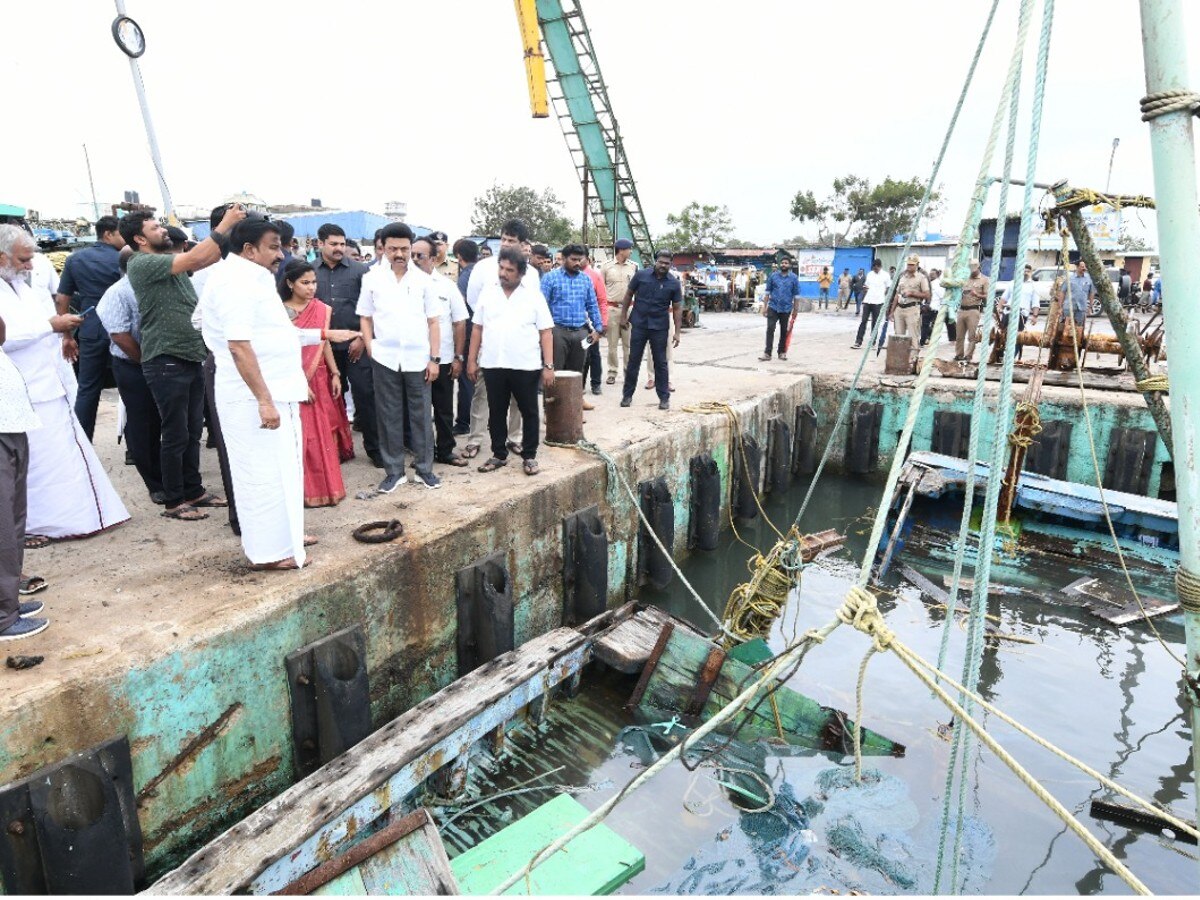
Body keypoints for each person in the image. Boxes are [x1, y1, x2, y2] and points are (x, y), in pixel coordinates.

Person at [200, 217, 359, 569]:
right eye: (273, 246)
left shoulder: (254, 280)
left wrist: (321, 336)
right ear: (248, 249)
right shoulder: (233, 283)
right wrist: (263, 399)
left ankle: (284, 536)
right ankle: (268, 553)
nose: (281, 253)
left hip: (275, 391)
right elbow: (239, 346)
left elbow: (270, 336)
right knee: (260, 475)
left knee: (283, 470)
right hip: (253, 397)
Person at [0, 224, 129, 544]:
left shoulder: (20, 286)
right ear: (1, 257)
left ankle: (73, 518)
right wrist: (51, 325)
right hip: (22, 392)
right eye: (23, 259)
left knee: (62, 457)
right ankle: (33, 525)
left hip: (49, 382)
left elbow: (41, 323)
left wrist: (62, 333)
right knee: (34, 466)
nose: (30, 266)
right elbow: (7, 339)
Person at [123, 206, 243, 521]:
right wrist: (225, 223)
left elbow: (207, 257)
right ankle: (174, 501)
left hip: (189, 355)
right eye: (154, 227)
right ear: (139, 239)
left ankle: (194, 491)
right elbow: (194, 259)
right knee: (175, 432)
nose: (163, 229)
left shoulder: (166, 262)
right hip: (166, 359)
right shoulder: (142, 263)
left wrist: (227, 232)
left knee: (191, 431)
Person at [358, 223, 441, 492]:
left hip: (418, 358)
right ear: (383, 247)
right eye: (393, 248)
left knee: (421, 416)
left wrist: (434, 359)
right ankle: (394, 471)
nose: (399, 254)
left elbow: (433, 322)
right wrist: (370, 347)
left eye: (404, 249)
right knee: (388, 414)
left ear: (410, 248)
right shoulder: (371, 278)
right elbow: (365, 317)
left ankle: (424, 469)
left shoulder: (424, 281)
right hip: (385, 357)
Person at [466, 248, 555, 476]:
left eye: (509, 270)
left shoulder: (534, 295)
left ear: (521, 273)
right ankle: (498, 454)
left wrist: (548, 366)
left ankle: (530, 456)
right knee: (496, 411)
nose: (503, 273)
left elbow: (546, 332)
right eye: (501, 268)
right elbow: (477, 328)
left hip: (526, 365)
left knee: (529, 411)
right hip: (493, 363)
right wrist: (471, 360)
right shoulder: (488, 292)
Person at [462, 221, 540, 460]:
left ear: (523, 245)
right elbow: (474, 301)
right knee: (483, 394)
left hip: (521, 350)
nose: (505, 244)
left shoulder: (533, 274)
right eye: (503, 239)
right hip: (491, 345)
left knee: (520, 399)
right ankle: (475, 439)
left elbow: (534, 311)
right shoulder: (484, 267)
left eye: (511, 240)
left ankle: (514, 439)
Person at [279, 259, 352, 508]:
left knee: (323, 435)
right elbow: (283, 352)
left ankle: (326, 488)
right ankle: (303, 491)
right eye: (305, 283)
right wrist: (299, 383)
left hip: (320, 376)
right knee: (304, 437)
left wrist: (335, 373)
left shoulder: (320, 309)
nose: (311, 288)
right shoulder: (281, 312)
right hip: (293, 379)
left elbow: (324, 342)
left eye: (314, 282)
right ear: (290, 283)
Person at [97, 247, 165, 504]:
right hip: (134, 364)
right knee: (143, 423)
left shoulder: (154, 285)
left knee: (163, 421)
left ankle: (172, 476)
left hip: (160, 361)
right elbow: (120, 336)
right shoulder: (118, 292)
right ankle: (155, 483)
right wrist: (145, 361)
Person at [0, 307, 49, 641]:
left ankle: (9, 602)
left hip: (10, 424)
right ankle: (3, 617)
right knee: (2, 527)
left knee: (13, 522)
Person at [54, 215, 125, 441]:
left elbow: (62, 299)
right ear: (108, 234)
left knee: (87, 389)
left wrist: (67, 335)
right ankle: (134, 449)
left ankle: (83, 444)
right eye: (121, 233)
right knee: (130, 388)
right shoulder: (125, 259)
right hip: (121, 330)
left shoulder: (75, 260)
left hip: (90, 329)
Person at [314, 224, 378, 467]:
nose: (339, 248)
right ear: (320, 244)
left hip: (356, 347)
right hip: (324, 348)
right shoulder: (310, 273)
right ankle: (336, 450)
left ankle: (375, 449)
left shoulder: (361, 272)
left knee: (365, 396)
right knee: (330, 400)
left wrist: (362, 338)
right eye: (334, 244)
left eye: (342, 244)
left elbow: (373, 310)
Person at [412, 235, 469, 467]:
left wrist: (458, 357)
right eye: (412, 255)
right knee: (417, 411)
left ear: (434, 260)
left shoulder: (447, 286)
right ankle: (423, 454)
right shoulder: (402, 286)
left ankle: (445, 451)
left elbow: (460, 323)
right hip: (413, 359)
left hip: (443, 358)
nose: (414, 260)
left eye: (420, 256)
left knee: (443, 409)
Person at [619, 249, 682, 411]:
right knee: (634, 361)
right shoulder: (641, 276)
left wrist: (677, 332)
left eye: (667, 263)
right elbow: (628, 295)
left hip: (660, 327)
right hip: (639, 324)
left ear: (670, 264)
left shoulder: (674, 283)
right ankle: (627, 395)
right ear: (655, 261)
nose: (663, 265)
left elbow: (677, 308)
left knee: (661, 363)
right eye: (661, 261)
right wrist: (623, 316)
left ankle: (664, 398)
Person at [539, 243, 603, 399]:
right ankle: (551, 412)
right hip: (557, 331)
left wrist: (598, 329)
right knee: (555, 372)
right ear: (564, 259)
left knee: (576, 373)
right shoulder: (550, 278)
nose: (577, 263)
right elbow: (541, 307)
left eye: (579, 260)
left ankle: (574, 410)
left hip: (581, 332)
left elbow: (592, 305)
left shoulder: (586, 280)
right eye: (573, 259)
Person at [599, 239, 637, 385]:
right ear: (621, 250)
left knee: (629, 344)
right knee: (612, 345)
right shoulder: (606, 267)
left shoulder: (634, 267)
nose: (631, 251)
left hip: (629, 310)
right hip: (612, 309)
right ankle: (612, 372)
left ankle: (629, 372)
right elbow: (601, 290)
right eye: (629, 249)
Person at [453, 238, 479, 435]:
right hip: (482, 331)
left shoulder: (464, 278)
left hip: (469, 332)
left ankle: (464, 422)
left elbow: (461, 311)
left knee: (466, 379)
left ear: (458, 256)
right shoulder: (482, 273)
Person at [760, 257, 799, 361]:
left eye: (786, 263)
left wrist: (795, 310)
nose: (784, 264)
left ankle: (782, 352)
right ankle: (767, 353)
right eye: (782, 263)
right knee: (770, 329)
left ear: (789, 265)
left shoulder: (794, 278)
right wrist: (764, 307)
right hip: (773, 306)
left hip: (786, 308)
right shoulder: (773, 276)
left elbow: (796, 295)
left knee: (783, 330)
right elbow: (767, 292)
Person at [583, 254, 609, 395]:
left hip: (591, 324)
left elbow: (602, 301)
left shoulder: (594, 276)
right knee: (579, 355)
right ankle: (579, 385)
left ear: (587, 259)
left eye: (580, 258)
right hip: (575, 324)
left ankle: (596, 384)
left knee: (593, 354)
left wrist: (603, 323)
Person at [888, 254, 930, 341]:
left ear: (917, 265)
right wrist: (892, 311)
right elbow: (897, 295)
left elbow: (927, 295)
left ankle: (914, 355)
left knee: (913, 336)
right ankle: (900, 354)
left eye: (912, 264)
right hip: (899, 309)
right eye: (908, 264)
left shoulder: (921, 278)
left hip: (912, 309)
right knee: (898, 337)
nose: (909, 266)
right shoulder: (902, 277)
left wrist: (912, 293)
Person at [955, 258, 990, 361]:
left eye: (973, 270)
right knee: (959, 335)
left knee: (972, 335)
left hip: (973, 310)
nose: (972, 272)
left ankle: (968, 355)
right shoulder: (965, 279)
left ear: (978, 268)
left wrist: (977, 294)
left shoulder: (984, 280)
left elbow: (988, 296)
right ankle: (959, 354)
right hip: (962, 309)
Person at [852, 259, 890, 349]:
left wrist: (883, 296)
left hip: (878, 302)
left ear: (880, 266)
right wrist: (865, 289)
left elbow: (888, 287)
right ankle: (858, 341)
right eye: (873, 268)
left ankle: (872, 342)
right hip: (868, 301)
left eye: (876, 268)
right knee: (863, 321)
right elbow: (866, 285)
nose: (875, 269)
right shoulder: (870, 274)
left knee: (875, 322)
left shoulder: (885, 275)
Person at [1008, 263, 1038, 360]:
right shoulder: (1013, 283)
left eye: (1028, 271)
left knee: (1018, 336)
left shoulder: (1033, 286)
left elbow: (1035, 303)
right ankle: (1001, 354)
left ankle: (1012, 357)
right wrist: (999, 309)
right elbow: (1004, 298)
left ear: (1031, 273)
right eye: (1024, 271)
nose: (1025, 273)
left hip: (1022, 314)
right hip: (1008, 312)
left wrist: (1035, 316)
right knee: (1004, 334)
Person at [1067, 259, 1095, 329]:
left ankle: (1079, 339)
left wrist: (1090, 306)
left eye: (1085, 267)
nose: (1084, 268)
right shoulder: (1070, 278)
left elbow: (1092, 293)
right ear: (1077, 267)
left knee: (1080, 327)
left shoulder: (1089, 278)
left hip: (1082, 308)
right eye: (1082, 266)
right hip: (1070, 307)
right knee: (1067, 327)